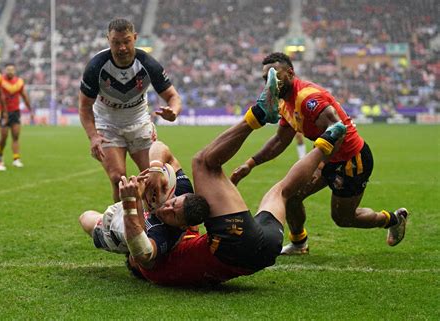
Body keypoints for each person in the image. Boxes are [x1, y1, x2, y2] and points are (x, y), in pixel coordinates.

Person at [122, 68, 347, 286]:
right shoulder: (150, 265)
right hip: (231, 244)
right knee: (203, 163)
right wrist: (131, 204)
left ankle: (328, 140)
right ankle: (258, 114)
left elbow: (161, 149)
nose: (168, 207)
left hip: (264, 252)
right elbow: (141, 250)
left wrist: (155, 168)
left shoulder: (173, 242)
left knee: (282, 191)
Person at [230, 52, 408, 255]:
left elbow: (336, 130)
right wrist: (250, 164)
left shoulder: (307, 98)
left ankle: (393, 220)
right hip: (326, 157)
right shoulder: (283, 102)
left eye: (276, 75)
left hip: (351, 160)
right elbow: (280, 140)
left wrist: (317, 163)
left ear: (290, 73)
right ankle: (299, 244)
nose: (272, 81)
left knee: (343, 218)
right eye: (267, 78)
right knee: (291, 194)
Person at [79, 18, 182, 201]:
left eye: (126, 41)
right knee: (119, 179)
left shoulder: (148, 63)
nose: (122, 48)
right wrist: (93, 136)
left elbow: (173, 96)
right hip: (107, 124)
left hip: (139, 123)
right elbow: (85, 107)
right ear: (108, 40)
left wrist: (173, 111)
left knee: (152, 177)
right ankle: (122, 224)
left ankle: (154, 223)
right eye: (116, 42)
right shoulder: (96, 66)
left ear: (135, 38)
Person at [78, 141, 208, 268]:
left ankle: (105, 233)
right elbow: (159, 146)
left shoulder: (166, 235)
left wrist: (134, 200)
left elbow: (142, 253)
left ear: (182, 226)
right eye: (172, 203)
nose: (166, 209)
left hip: (120, 229)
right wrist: (156, 168)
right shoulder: (183, 189)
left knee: (85, 217)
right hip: (128, 209)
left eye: (173, 215)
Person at [0, 63, 33, 168]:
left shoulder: (19, 82)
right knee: (4, 136)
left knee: (15, 135)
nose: (10, 71)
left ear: (15, 71)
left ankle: (16, 158)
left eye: (12, 69)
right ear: (5, 70)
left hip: (15, 112)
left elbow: (24, 96)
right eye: (8, 69)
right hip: (4, 112)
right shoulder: (0, 81)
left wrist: (30, 109)